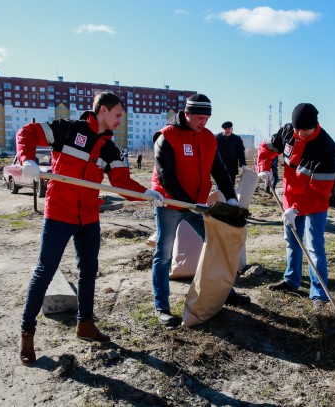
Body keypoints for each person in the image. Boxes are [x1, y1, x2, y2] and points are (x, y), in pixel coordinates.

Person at [16, 92, 164, 365]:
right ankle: (27, 333)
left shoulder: (110, 149)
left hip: (89, 219)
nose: (120, 121)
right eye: (118, 115)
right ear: (104, 110)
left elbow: (122, 183)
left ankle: (85, 325)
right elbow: (27, 132)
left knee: (89, 271)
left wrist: (147, 193)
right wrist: (28, 159)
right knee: (44, 272)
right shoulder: (68, 130)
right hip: (59, 215)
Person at [150, 93, 249, 328]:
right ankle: (162, 307)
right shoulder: (166, 137)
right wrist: (187, 202)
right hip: (170, 205)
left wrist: (232, 198)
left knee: (216, 244)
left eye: (207, 118)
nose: (203, 122)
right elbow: (166, 177)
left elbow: (219, 170)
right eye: (199, 117)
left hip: (197, 204)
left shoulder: (208, 139)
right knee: (163, 254)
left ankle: (226, 292)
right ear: (187, 114)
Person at [256, 103, 335, 308]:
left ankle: (319, 294)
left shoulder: (327, 148)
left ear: (315, 125)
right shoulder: (287, 132)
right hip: (290, 197)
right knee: (292, 242)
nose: (300, 134)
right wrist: (264, 168)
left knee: (314, 247)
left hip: (314, 203)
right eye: (297, 129)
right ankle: (291, 280)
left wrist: (297, 209)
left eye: (305, 130)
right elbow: (265, 148)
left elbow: (319, 190)